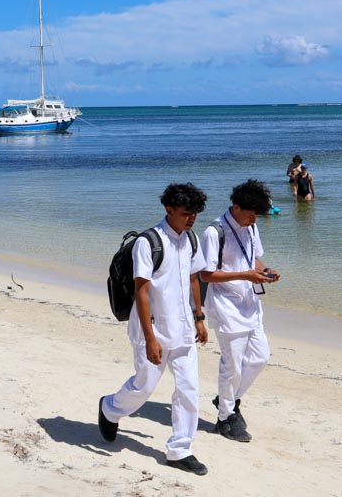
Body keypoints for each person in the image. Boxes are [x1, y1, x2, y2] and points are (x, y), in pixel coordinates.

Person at [98, 183, 210, 476]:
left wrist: (199, 317)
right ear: (169, 209)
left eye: (195, 214)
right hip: (154, 329)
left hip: (184, 328)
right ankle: (110, 408)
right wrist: (150, 338)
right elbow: (142, 291)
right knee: (143, 386)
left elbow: (195, 278)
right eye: (186, 213)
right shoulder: (149, 242)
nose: (191, 219)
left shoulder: (191, 240)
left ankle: (180, 449)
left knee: (189, 389)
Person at [198, 179, 279, 442]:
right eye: (250, 214)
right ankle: (225, 418)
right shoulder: (214, 232)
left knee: (260, 356)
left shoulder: (251, 226)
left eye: (257, 216)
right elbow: (206, 274)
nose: (253, 220)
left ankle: (227, 400)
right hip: (224, 305)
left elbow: (253, 258)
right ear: (235, 207)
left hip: (250, 303)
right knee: (231, 364)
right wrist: (246, 275)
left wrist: (266, 271)